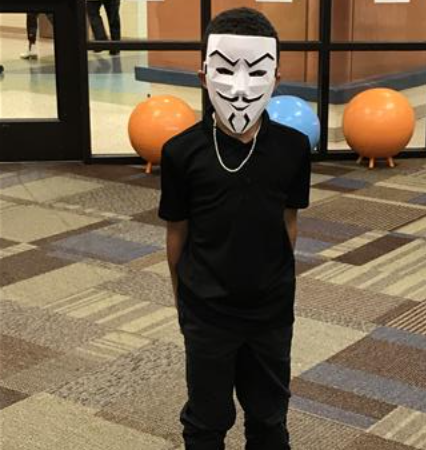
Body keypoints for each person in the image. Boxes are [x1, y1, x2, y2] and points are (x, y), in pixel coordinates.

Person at [158, 7, 311, 450]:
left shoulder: (293, 148)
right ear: (203, 76)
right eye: (225, 72)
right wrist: (184, 303)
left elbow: (288, 221)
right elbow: (177, 234)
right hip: (207, 312)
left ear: (276, 78)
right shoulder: (181, 152)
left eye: (257, 73)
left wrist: (276, 283)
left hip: (270, 312)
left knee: (269, 417)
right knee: (207, 419)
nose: (240, 89)